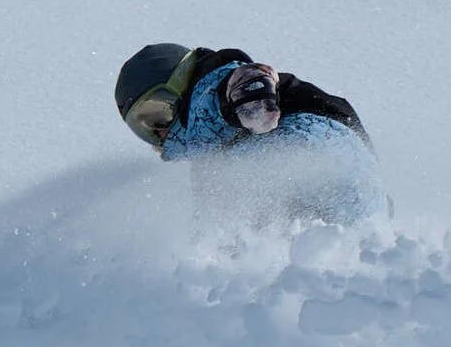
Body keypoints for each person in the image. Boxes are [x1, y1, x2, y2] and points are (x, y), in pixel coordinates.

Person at [115, 43, 386, 229]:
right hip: (357, 178)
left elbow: (241, 79)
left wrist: (251, 97)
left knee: (228, 190)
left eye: (157, 113)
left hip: (308, 142)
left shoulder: (209, 86)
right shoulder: (211, 156)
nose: (158, 131)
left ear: (180, 81)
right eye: (144, 128)